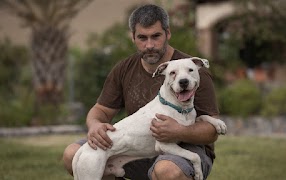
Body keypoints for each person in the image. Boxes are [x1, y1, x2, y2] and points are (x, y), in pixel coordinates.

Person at [63, 4, 220, 180]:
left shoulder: (192, 71)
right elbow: (101, 111)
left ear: (168, 33)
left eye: (156, 36)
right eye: (142, 38)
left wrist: (178, 131)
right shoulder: (124, 68)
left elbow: (212, 132)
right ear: (133, 37)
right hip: (137, 149)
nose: (149, 45)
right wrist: (94, 125)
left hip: (184, 150)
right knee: (72, 154)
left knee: (167, 170)